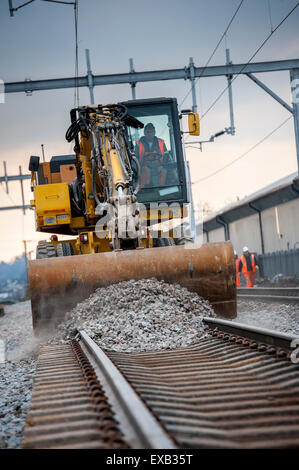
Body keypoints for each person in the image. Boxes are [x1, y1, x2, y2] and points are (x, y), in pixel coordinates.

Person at [135, 123, 169, 188]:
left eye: (151, 132)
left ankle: (161, 188)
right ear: (144, 133)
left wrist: (164, 163)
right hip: (145, 165)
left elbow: (166, 154)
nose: (149, 134)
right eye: (147, 132)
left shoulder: (161, 142)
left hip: (158, 165)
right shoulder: (139, 143)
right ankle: (146, 189)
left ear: (154, 132)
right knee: (145, 171)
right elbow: (135, 157)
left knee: (163, 171)